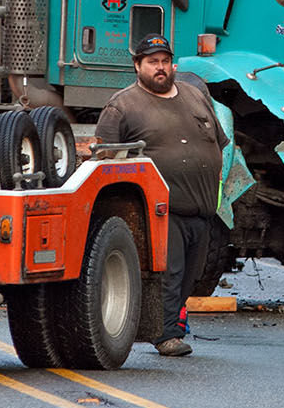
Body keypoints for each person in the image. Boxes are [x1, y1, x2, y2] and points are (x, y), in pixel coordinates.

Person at [95, 32, 226, 357]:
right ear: (137, 65)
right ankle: (165, 334)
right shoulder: (123, 106)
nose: (160, 68)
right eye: (152, 62)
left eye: (165, 61)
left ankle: (172, 326)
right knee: (170, 272)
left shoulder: (195, 96)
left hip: (203, 209)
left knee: (191, 276)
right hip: (160, 209)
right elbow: (104, 160)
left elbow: (218, 143)